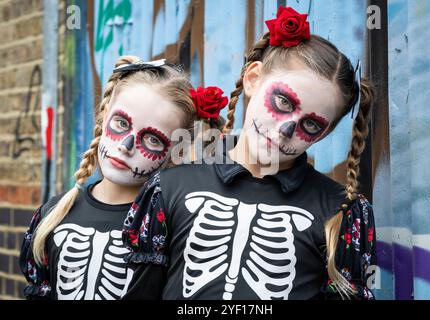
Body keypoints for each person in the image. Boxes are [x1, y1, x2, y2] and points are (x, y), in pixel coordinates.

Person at [122, 6, 376, 300]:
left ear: (325, 133)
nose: (285, 129)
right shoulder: (169, 187)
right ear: (253, 79)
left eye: (310, 124)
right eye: (283, 102)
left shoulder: (340, 211)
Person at [19, 56, 227, 300]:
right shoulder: (52, 214)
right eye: (121, 123)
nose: (127, 146)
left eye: (152, 139)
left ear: (175, 153)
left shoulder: (170, 228)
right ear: (104, 115)